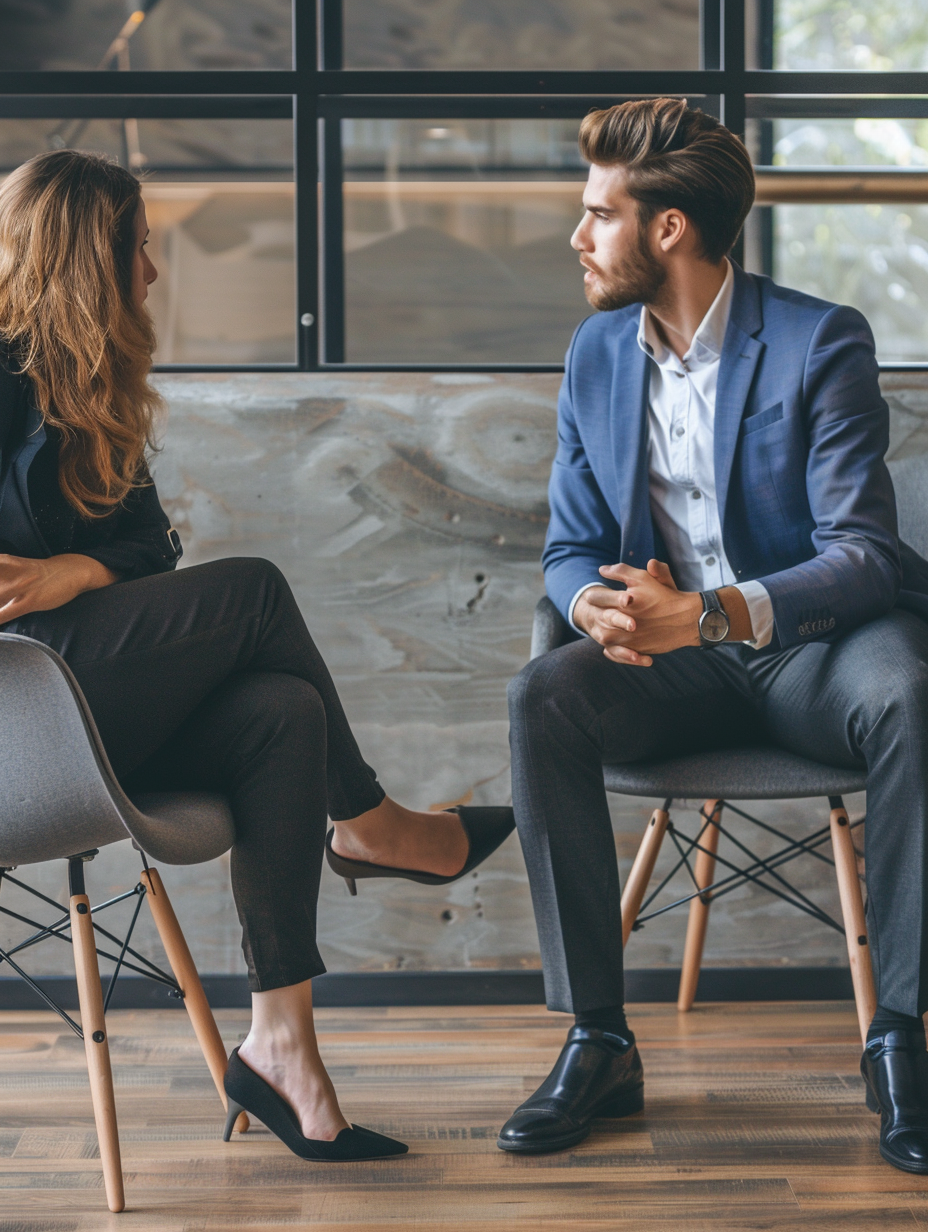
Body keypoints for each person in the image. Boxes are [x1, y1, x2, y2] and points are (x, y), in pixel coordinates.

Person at [0, 149, 513, 1162]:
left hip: (90, 706)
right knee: (256, 590)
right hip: (17, 726)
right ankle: (372, 823)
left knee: (283, 708)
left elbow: (152, 551)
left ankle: (282, 1043)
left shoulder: (90, 391)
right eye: (137, 250)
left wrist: (75, 572)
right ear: (80, 258)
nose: (151, 274)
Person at [500, 98, 928, 1172]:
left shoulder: (817, 338)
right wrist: (591, 602)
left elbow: (865, 552)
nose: (577, 236)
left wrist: (715, 610)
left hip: (811, 649)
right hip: (669, 666)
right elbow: (567, 543)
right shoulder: (596, 353)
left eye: (598, 213)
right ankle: (596, 1032)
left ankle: (902, 1036)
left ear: (668, 229)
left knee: (912, 695)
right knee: (540, 694)